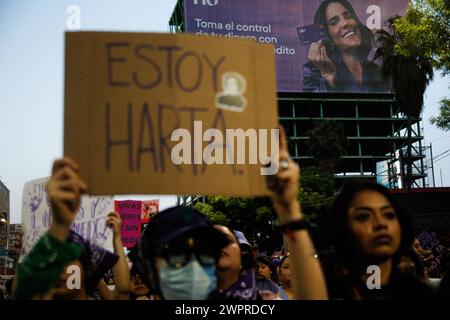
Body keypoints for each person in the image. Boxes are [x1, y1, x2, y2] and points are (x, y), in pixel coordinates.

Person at [327, 181, 434, 299]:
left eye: (389, 215)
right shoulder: (325, 293)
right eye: (363, 216)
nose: (381, 224)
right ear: (342, 228)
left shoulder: (418, 292)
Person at [302, 0, 388, 93]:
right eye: (334, 22)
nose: (345, 23)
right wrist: (330, 79)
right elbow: (313, 106)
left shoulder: (376, 70)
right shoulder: (314, 71)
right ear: (326, 35)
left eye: (348, 16)